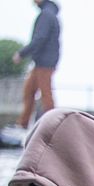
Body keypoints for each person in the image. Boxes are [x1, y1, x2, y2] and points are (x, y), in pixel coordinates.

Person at [13, 0, 61, 130]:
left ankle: (54, 126)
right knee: (29, 91)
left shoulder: (46, 15)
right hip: (42, 61)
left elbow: (40, 38)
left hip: (45, 62)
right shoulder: (49, 13)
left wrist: (21, 53)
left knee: (45, 94)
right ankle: (22, 124)